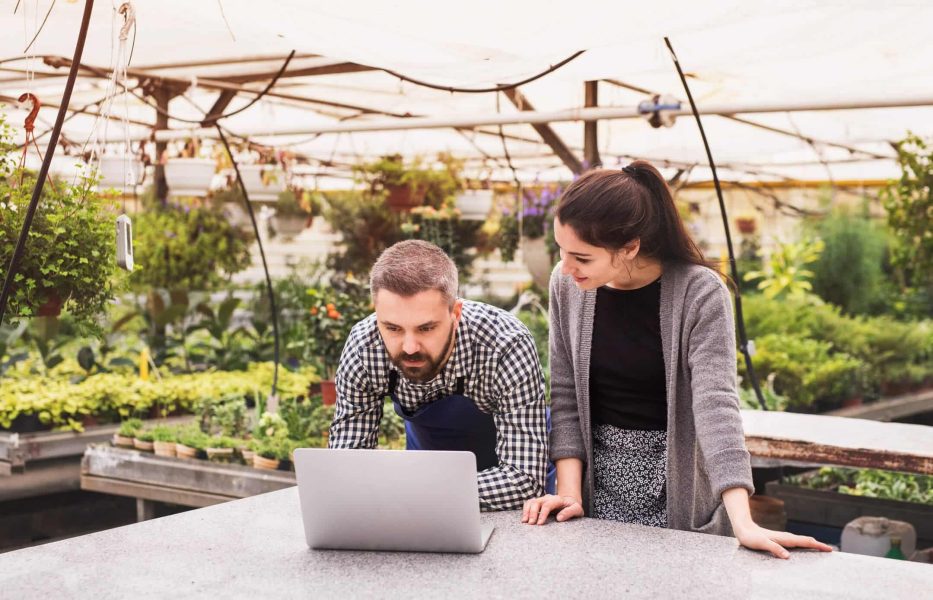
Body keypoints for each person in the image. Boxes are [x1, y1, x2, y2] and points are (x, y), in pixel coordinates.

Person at [521, 162, 833, 559]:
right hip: (596, 492)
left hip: (678, 489)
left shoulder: (700, 293)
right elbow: (565, 395)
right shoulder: (567, 285)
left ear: (630, 247)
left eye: (581, 257)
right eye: (561, 251)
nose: (566, 267)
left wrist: (742, 520)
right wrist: (569, 494)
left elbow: (716, 406)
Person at [328, 240, 551, 510]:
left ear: (455, 313)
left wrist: (417, 493)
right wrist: (426, 493)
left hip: (509, 497)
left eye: (426, 328)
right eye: (393, 328)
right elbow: (347, 467)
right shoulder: (365, 347)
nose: (409, 347)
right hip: (426, 482)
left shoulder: (505, 343)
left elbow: (523, 481)